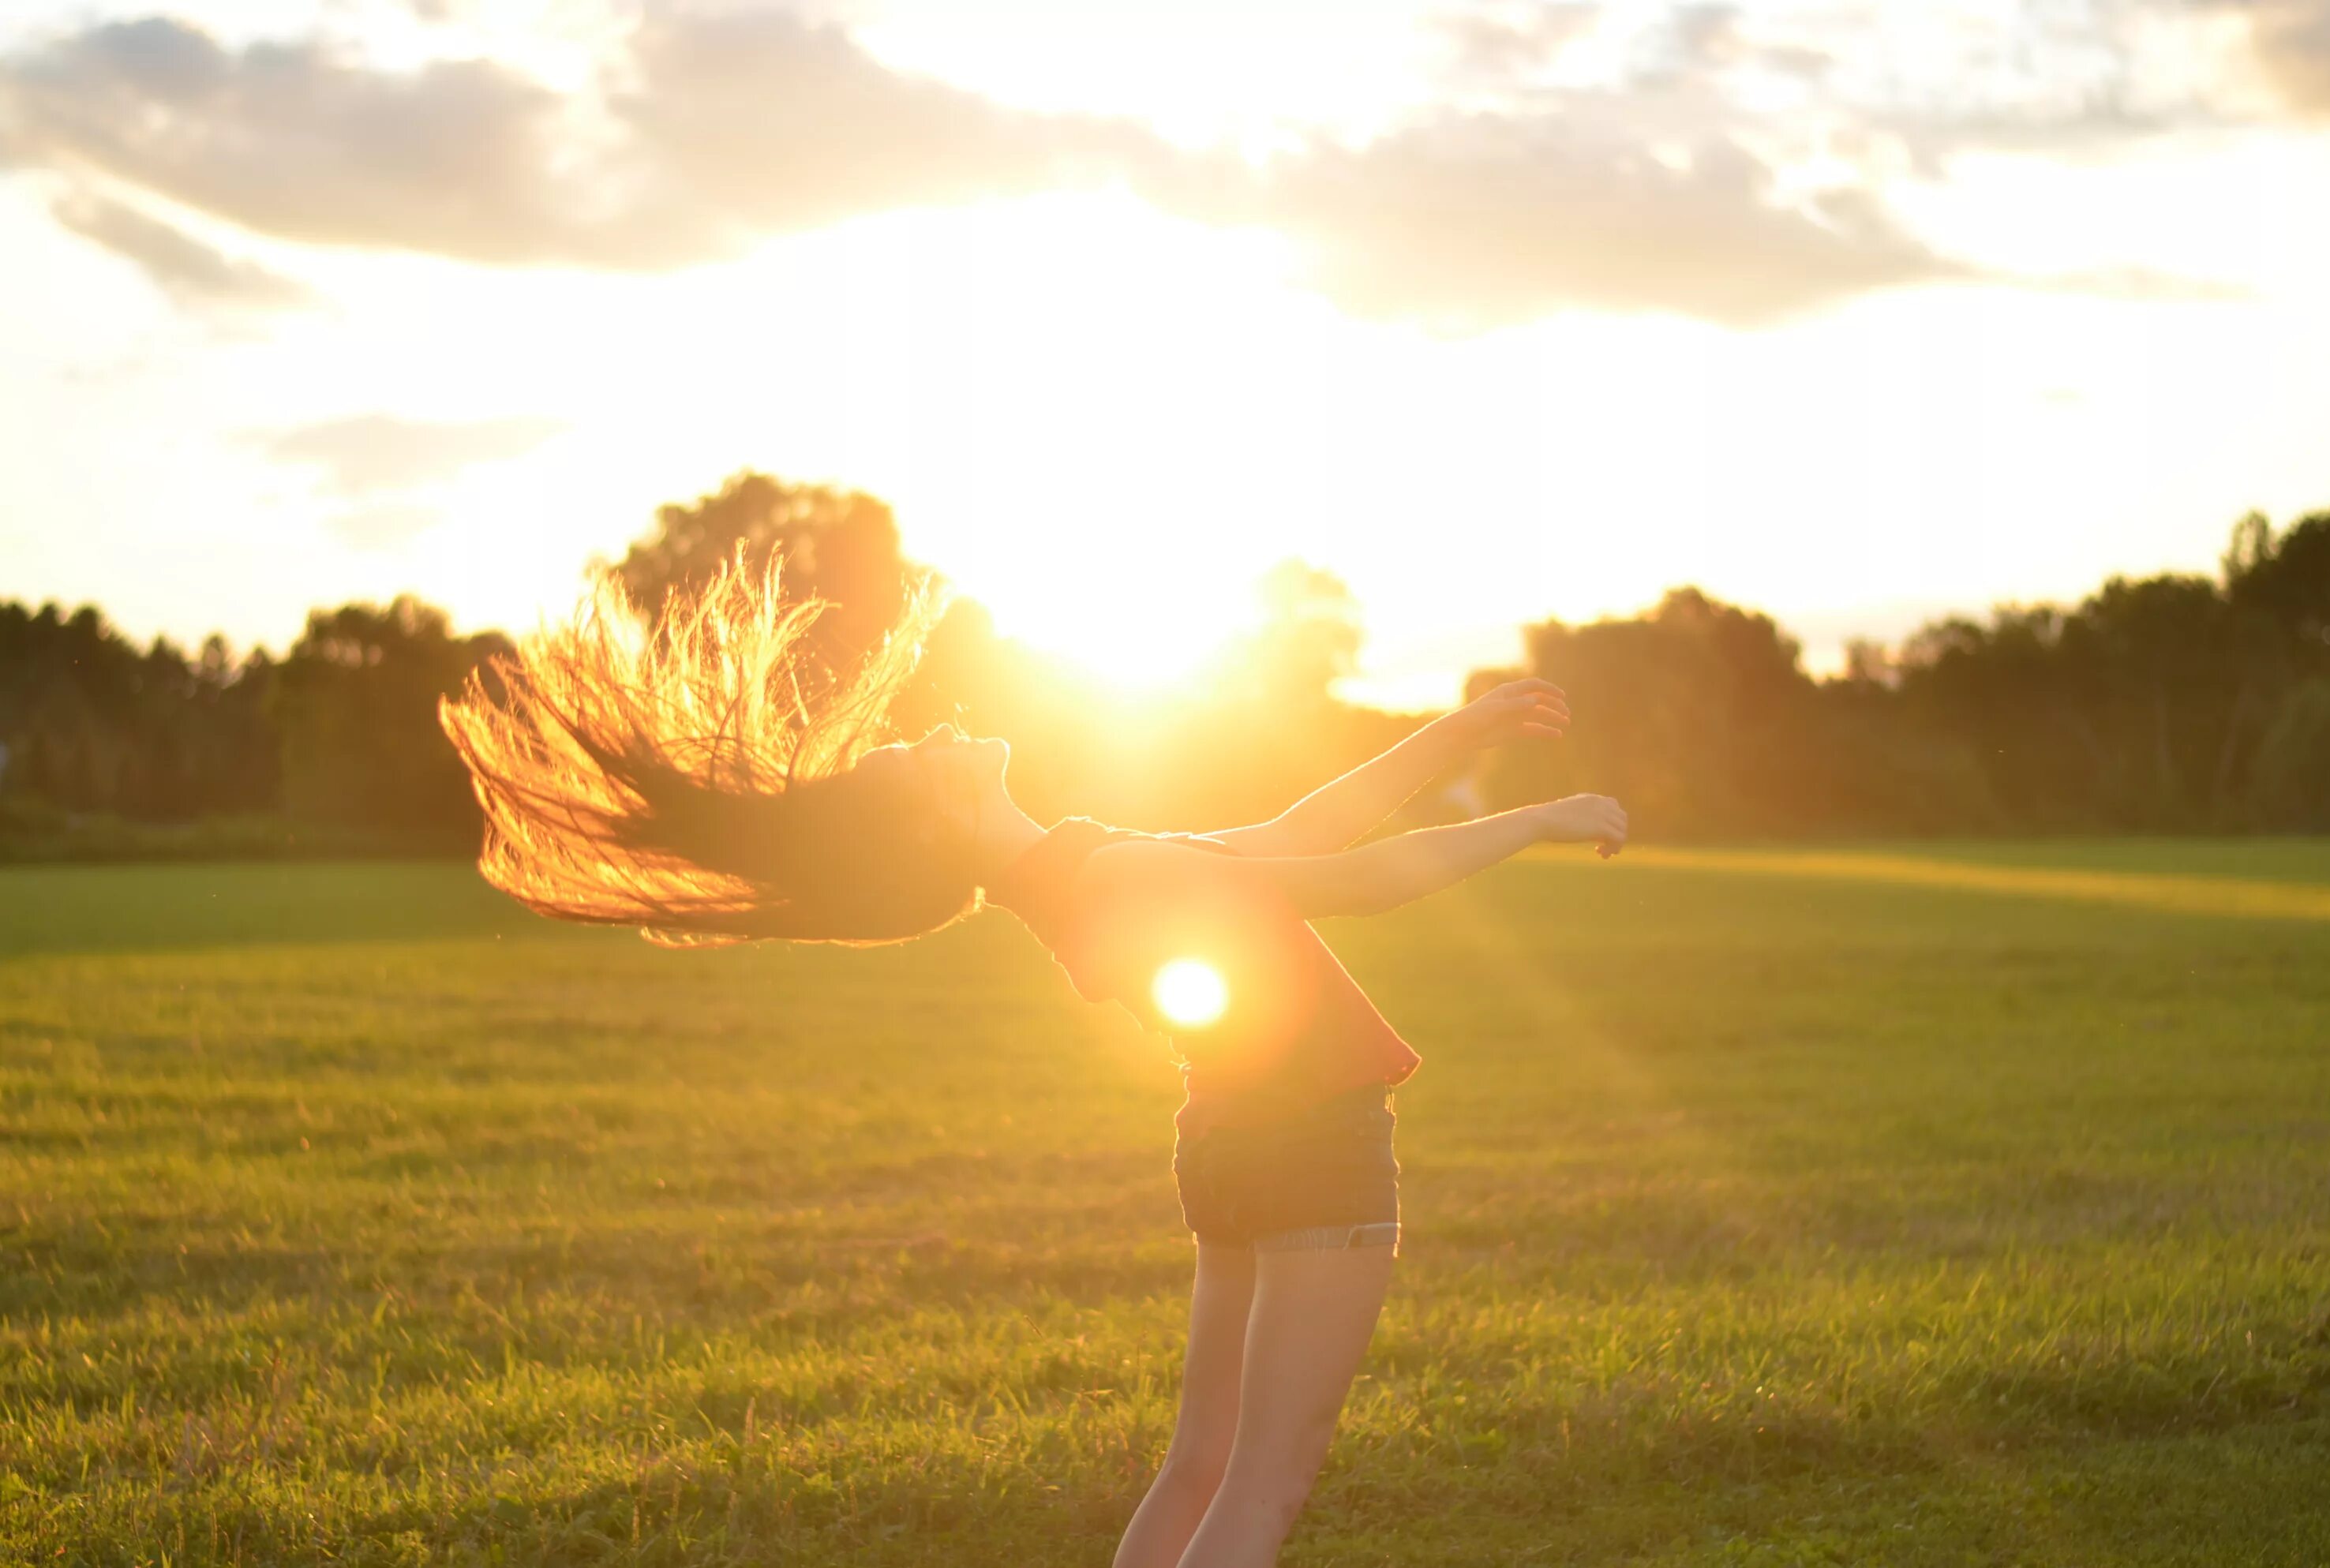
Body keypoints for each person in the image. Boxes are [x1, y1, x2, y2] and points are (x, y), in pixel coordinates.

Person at [437, 556, 1629, 1568]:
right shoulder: (1106, 872)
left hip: (1230, 1152)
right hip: (1312, 1150)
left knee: (1199, 1467)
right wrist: (1529, 823)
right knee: (1259, 1492)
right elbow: (1353, 880)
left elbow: (1299, 830)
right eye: (918, 756)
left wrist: (1459, 732)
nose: (937, 728)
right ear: (935, 822)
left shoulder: (1081, 866)